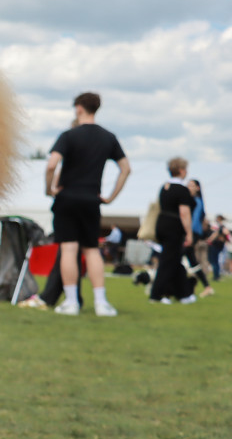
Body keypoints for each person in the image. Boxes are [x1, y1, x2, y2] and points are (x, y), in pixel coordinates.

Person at [45, 92, 131, 316]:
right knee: (92, 250)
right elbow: (126, 169)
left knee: (68, 249)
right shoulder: (108, 137)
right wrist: (111, 197)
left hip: (67, 198)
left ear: (79, 108)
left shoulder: (68, 136)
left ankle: (72, 302)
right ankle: (101, 303)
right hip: (92, 199)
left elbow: (51, 165)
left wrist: (49, 189)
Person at [149, 158, 197, 304]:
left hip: (162, 224)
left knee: (175, 261)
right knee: (168, 262)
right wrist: (189, 232)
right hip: (174, 227)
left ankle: (183, 294)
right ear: (182, 170)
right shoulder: (182, 190)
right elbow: (184, 213)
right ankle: (156, 295)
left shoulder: (164, 187)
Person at [185, 179, 213, 297]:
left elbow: (195, 220)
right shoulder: (191, 201)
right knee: (192, 261)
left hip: (191, 233)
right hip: (191, 233)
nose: (189, 187)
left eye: (192, 185)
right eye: (188, 185)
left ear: (197, 188)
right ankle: (207, 287)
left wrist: (188, 234)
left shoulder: (196, 201)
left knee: (179, 257)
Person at [206, 215, 230, 282]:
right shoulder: (221, 227)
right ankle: (216, 275)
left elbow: (216, 234)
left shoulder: (220, 227)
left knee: (214, 261)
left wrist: (210, 239)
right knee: (215, 261)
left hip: (216, 245)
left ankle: (216, 276)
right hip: (218, 246)